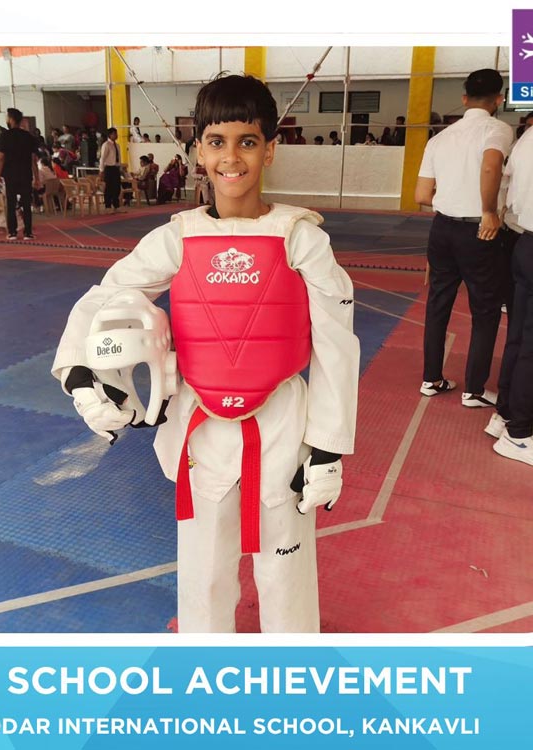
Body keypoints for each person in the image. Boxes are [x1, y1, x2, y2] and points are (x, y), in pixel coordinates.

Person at [51, 74, 359, 634]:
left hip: (282, 425)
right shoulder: (178, 237)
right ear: (199, 150)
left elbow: (337, 343)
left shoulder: (301, 238)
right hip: (201, 427)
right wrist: (79, 372)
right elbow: (109, 295)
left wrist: (327, 447)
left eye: (248, 142)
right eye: (216, 142)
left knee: (285, 573)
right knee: (204, 574)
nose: (231, 158)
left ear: (270, 149)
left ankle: (292, 666)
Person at [414, 68, 513, 407]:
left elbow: (421, 195)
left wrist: (453, 197)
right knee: (485, 309)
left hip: (441, 229)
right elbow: (491, 166)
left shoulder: (439, 138)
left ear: (464, 98)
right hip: (479, 231)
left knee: (438, 304)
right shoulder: (497, 129)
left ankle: (431, 379)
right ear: (498, 99)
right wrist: (488, 210)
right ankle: (474, 390)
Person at [484, 125, 533, 465]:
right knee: (528, 343)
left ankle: (505, 415)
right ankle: (519, 433)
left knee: (518, 336)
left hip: (525, 241)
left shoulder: (527, 137)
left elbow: (505, 182)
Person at [0, 108, 40, 241]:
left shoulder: (5, 136)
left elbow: (1, 157)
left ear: (11, 119)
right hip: (25, 174)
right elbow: (33, 159)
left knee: (11, 203)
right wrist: (37, 177)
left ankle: (12, 232)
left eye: (7, 117)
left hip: (10, 175)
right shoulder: (28, 136)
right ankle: (28, 232)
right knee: (26, 203)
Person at [99, 127, 123, 213]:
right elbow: (102, 158)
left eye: (116, 133)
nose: (116, 135)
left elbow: (118, 157)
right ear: (110, 135)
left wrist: (120, 167)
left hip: (116, 168)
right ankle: (108, 206)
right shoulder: (106, 145)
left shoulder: (117, 145)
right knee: (109, 187)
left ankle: (116, 206)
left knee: (117, 187)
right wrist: (101, 170)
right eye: (114, 134)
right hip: (109, 168)